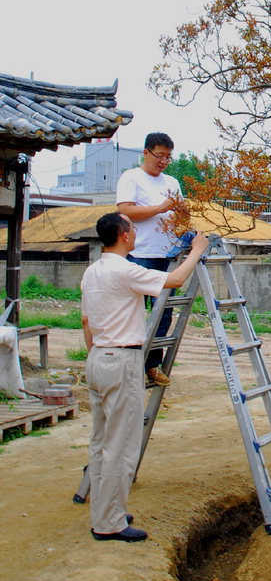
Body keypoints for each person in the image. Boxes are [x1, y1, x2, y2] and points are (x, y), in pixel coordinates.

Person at [81, 212, 208, 542]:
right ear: (124, 236)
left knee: (100, 442)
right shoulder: (124, 270)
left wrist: (98, 356)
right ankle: (110, 523)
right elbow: (175, 280)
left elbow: (85, 322)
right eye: (133, 229)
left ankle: (106, 511)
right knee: (121, 445)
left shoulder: (93, 272)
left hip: (97, 358)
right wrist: (196, 249)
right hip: (121, 358)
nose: (136, 234)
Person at [116, 132, 181, 386]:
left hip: (167, 256)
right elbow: (125, 211)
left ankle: (151, 366)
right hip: (139, 255)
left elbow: (179, 212)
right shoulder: (131, 177)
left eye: (168, 157)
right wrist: (159, 209)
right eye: (159, 155)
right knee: (132, 314)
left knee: (163, 315)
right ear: (146, 153)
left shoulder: (172, 182)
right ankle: (128, 366)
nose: (164, 161)